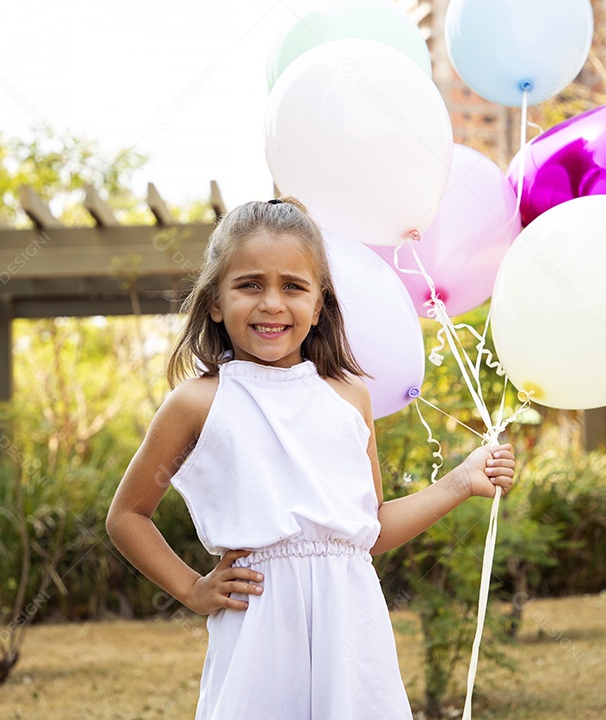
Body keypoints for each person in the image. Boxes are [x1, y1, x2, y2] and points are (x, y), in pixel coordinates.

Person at [105, 197, 515, 720]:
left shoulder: (348, 397)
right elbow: (126, 516)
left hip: (352, 628)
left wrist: (460, 481)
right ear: (214, 301)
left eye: (293, 286)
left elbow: (370, 530)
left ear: (319, 304)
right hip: (259, 628)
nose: (272, 303)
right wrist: (192, 588)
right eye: (250, 284)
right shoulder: (198, 402)